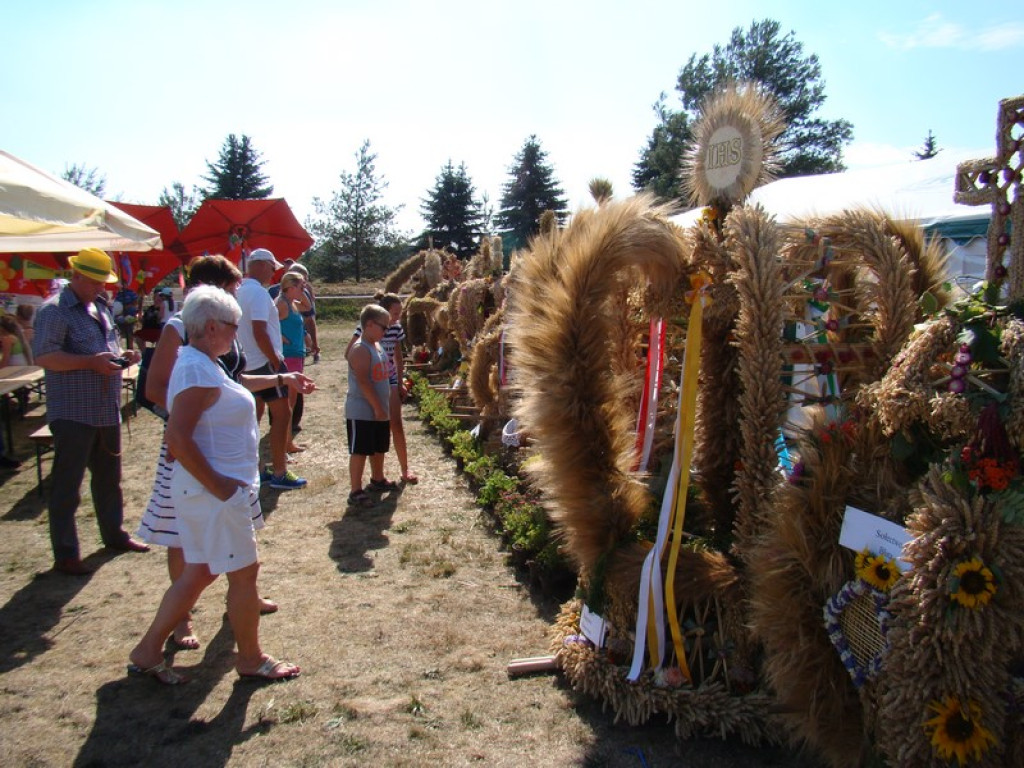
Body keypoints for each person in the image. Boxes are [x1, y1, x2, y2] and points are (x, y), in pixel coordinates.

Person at [137, 255, 314, 649]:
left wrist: (281, 377)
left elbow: (231, 381)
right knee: (185, 542)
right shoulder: (182, 335)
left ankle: (240, 598)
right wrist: (191, 419)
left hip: (222, 465)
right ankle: (182, 623)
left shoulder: (210, 347)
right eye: (230, 289)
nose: (238, 295)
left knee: (220, 557)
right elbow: (157, 391)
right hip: (199, 459)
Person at [32, 247, 150, 576]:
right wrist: (90, 363)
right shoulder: (53, 311)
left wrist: (122, 355)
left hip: (104, 409)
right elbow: (44, 356)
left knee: (109, 479)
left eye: (103, 281)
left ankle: (113, 534)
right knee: (68, 484)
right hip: (73, 411)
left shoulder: (99, 307)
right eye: (96, 281)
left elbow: (105, 350)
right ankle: (66, 553)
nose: (102, 287)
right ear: (77, 275)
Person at [236, 249, 306, 490]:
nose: (274, 271)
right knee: (282, 414)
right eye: (271, 266)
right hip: (263, 362)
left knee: (252, 418)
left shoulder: (240, 290)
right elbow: (259, 330)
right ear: (261, 265)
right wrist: (275, 361)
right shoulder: (256, 293)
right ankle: (279, 471)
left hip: (248, 361)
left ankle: (255, 468)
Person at [346, 292, 418, 483]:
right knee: (374, 426)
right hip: (375, 380)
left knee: (394, 423)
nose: (397, 318)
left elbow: (398, 355)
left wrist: (400, 380)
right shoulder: (366, 333)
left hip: (389, 378)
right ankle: (374, 477)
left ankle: (404, 469)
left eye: (399, 313)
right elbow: (350, 354)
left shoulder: (394, 328)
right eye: (394, 313)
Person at [345, 303, 396, 507]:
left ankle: (377, 478)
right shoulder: (360, 349)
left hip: (378, 409)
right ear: (369, 324)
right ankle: (355, 490)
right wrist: (377, 407)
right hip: (362, 411)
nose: (386, 331)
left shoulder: (376, 345)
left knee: (378, 447)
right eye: (384, 327)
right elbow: (364, 382)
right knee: (360, 450)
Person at [275, 271, 310, 454]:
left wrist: (301, 288)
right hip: (288, 356)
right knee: (288, 403)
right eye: (301, 286)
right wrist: (280, 336)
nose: (304, 289)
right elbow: (267, 323)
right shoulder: (281, 303)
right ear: (290, 287)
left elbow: (308, 306)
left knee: (292, 402)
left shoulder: (292, 304)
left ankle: (288, 442)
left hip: (297, 355)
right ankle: (285, 444)